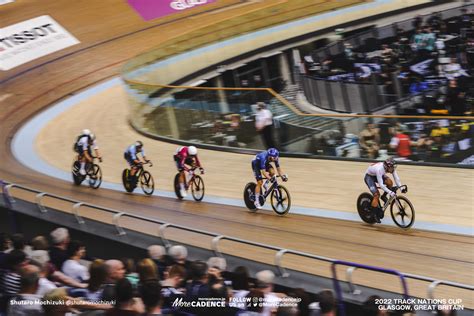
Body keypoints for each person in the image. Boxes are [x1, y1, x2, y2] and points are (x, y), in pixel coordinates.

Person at [364, 158, 406, 223]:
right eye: (392, 168)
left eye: (393, 167)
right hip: (369, 177)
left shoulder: (390, 168)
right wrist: (390, 192)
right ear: (387, 167)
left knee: (390, 182)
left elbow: (396, 178)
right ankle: (374, 215)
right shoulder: (380, 169)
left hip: (377, 175)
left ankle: (383, 196)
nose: (393, 169)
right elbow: (381, 185)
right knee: (376, 195)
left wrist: (401, 188)